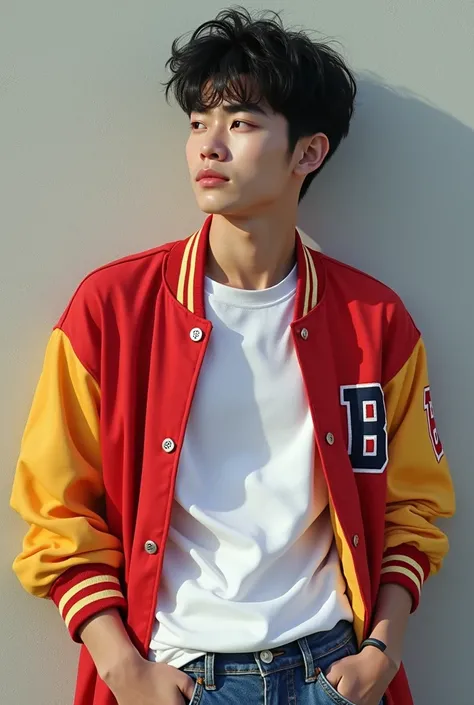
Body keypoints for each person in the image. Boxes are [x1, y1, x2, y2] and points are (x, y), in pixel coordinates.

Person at [10, 7, 454, 705]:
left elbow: (413, 507)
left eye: (240, 124)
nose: (207, 147)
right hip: (182, 676)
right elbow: (56, 510)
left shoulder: (374, 324)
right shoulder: (112, 311)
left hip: (333, 670)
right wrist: (124, 670)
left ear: (308, 153)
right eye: (197, 124)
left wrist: (382, 651)